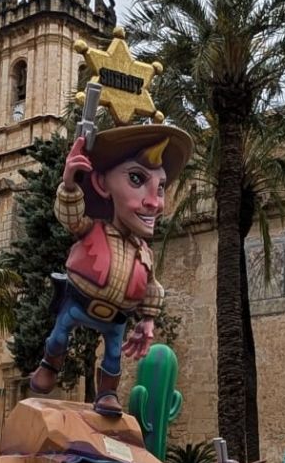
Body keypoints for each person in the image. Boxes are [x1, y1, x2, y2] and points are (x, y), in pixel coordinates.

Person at [28, 122, 191, 415]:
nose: (155, 202)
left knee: (113, 355)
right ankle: (49, 365)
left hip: (116, 317)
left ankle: (107, 394)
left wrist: (148, 321)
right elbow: (70, 217)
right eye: (137, 179)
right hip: (78, 302)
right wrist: (68, 184)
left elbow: (151, 287)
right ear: (103, 184)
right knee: (59, 335)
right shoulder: (92, 229)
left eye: (162, 187)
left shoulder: (144, 253)